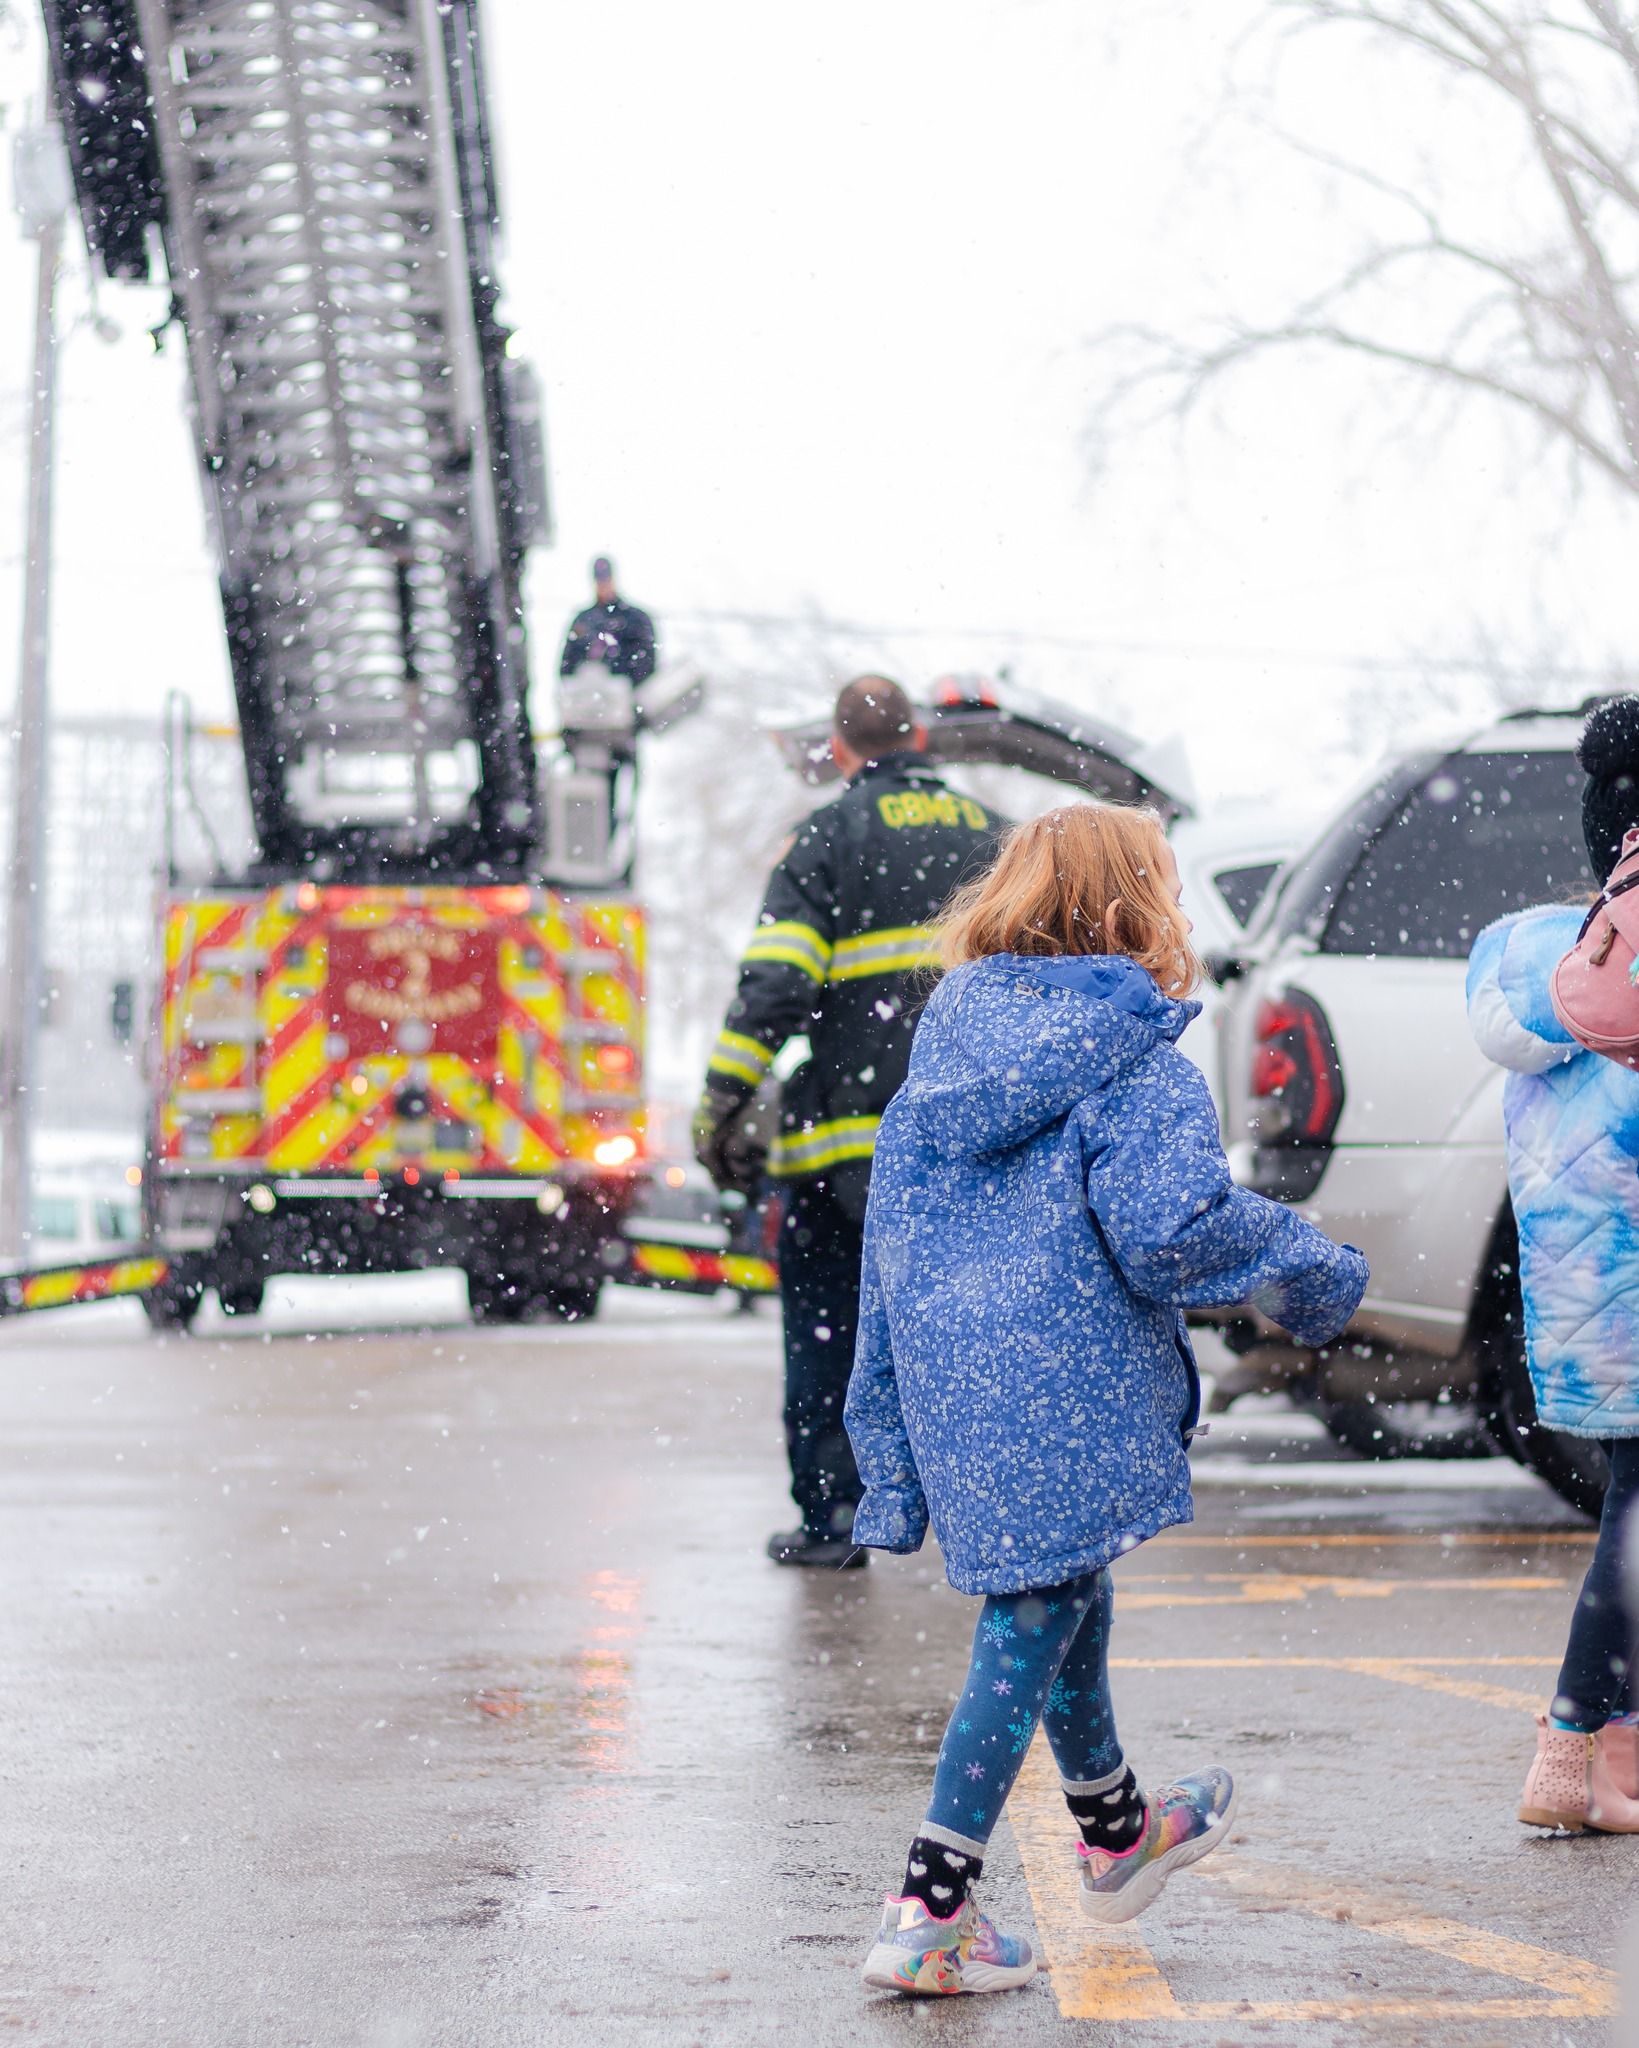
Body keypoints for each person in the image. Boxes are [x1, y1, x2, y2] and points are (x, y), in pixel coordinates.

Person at [844, 803, 1367, 1997]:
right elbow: (1170, 1228)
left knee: (1064, 1587)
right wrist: (1310, 1263)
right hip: (1064, 1375)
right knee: (1032, 1613)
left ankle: (1118, 1831)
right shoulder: (1132, 1056)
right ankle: (929, 1907)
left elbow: (887, 1245)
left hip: (955, 1377)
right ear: (1139, 904)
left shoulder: (943, 1054)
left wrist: (883, 1421)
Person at [695, 676, 999, 1569]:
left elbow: (776, 987)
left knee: (829, 1331)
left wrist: (721, 1103)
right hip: (970, 1146)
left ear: (839, 749)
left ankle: (833, 1522)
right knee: (971, 1332)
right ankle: (985, 1519)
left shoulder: (824, 840)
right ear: (923, 741)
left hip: (842, 1158)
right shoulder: (992, 838)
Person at [1466, 693, 1639, 1835]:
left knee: (1633, 1499)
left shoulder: (1531, 959)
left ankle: (1587, 1756)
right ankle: (1584, 1746)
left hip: (1584, 1299)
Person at [558, 556, 656, 688]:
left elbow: (646, 662)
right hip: (586, 697)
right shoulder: (583, 620)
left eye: (606, 579)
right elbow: (567, 664)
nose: (603, 585)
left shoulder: (635, 619)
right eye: (599, 580)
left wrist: (619, 673)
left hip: (625, 696)